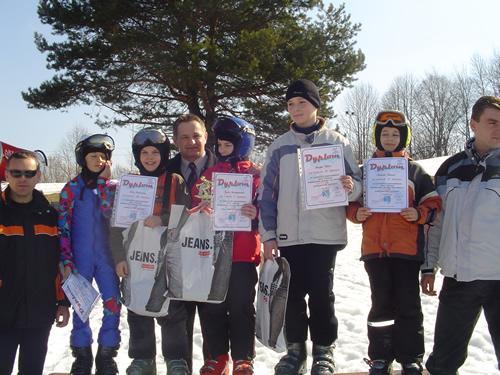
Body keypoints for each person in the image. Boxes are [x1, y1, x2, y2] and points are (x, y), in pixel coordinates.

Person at [259, 79, 362, 375]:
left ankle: (323, 350)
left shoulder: (337, 142)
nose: (295, 109)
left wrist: (351, 187)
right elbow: (267, 194)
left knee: (321, 293)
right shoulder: (279, 147)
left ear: (315, 105)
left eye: (301, 103)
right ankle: (295, 352)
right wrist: (268, 235)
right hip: (289, 236)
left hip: (324, 234)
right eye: (290, 104)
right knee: (291, 296)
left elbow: (357, 184)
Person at [346, 111, 441, 375]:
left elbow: (433, 204)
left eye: (395, 134)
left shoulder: (414, 170)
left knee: (409, 304)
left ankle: (410, 357)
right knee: (381, 304)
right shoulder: (366, 172)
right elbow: (350, 203)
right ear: (377, 136)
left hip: (406, 250)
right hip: (375, 251)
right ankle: (380, 357)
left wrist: (418, 214)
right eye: (384, 134)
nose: (389, 138)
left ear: (403, 138)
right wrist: (357, 213)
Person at [422, 96, 500, 374]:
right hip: (458, 278)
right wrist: (428, 266)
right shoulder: (449, 169)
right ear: (473, 124)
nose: (498, 129)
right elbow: (435, 223)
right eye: (492, 122)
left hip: (498, 278)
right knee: (443, 362)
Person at [111, 128, 191, 375]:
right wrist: (119, 258)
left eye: (155, 152)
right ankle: (143, 358)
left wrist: (163, 218)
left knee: (172, 310)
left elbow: (186, 215)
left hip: (168, 256)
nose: (149, 157)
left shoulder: (175, 181)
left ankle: (175, 358)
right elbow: (116, 224)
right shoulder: (129, 184)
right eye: (144, 152)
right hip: (136, 255)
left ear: (164, 154)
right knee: (137, 306)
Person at [191, 116, 261, 375]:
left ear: (242, 145)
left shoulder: (255, 175)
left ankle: (243, 357)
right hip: (213, 255)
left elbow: (269, 210)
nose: (221, 150)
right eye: (219, 145)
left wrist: (257, 213)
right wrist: (201, 207)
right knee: (213, 306)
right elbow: (196, 202)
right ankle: (217, 356)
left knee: (241, 305)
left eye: (227, 146)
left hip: (243, 253)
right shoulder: (210, 174)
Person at [0, 151, 70, 375]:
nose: (23, 178)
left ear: (38, 175)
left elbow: (59, 264)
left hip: (40, 313)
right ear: (7, 174)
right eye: (16, 172)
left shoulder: (51, 215)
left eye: (29, 173)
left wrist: (63, 302)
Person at [59, 134, 121, 375]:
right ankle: (81, 354)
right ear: (83, 159)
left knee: (113, 303)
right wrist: (66, 258)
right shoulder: (71, 188)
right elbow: (62, 226)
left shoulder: (113, 188)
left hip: (107, 257)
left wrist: (105, 183)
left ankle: (107, 354)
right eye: (93, 156)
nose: (98, 161)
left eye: (103, 157)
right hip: (80, 257)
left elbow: (111, 215)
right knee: (80, 306)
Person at [163, 113, 217, 374]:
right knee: (176, 326)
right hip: (176, 262)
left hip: (213, 260)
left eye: (196, 135)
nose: (191, 141)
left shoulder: (227, 169)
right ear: (175, 141)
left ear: (206, 136)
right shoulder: (164, 171)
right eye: (184, 137)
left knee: (215, 325)